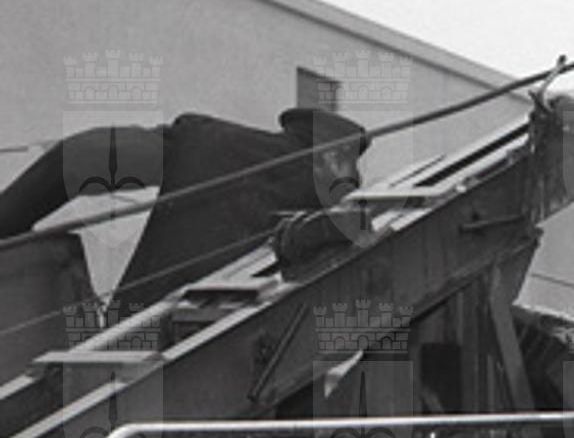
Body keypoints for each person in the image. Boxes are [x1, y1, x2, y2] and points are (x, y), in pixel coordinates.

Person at [0, 105, 369, 319]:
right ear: (331, 158)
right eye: (351, 168)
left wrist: (8, 218)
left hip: (126, 345)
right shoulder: (324, 221)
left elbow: (79, 157)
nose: (355, 182)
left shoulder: (207, 142)